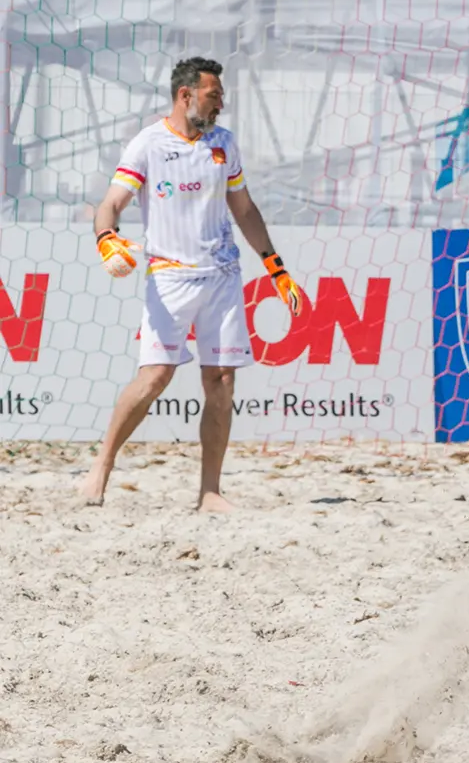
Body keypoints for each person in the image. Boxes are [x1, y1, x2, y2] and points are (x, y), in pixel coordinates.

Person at [80, 56, 304, 512]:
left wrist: (276, 268)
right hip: (169, 276)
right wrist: (106, 238)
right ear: (186, 96)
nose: (222, 103)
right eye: (214, 94)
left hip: (222, 274)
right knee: (155, 377)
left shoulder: (224, 143)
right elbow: (111, 203)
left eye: (220, 94)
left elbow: (244, 211)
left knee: (220, 381)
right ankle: (101, 466)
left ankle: (210, 492)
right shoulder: (148, 143)